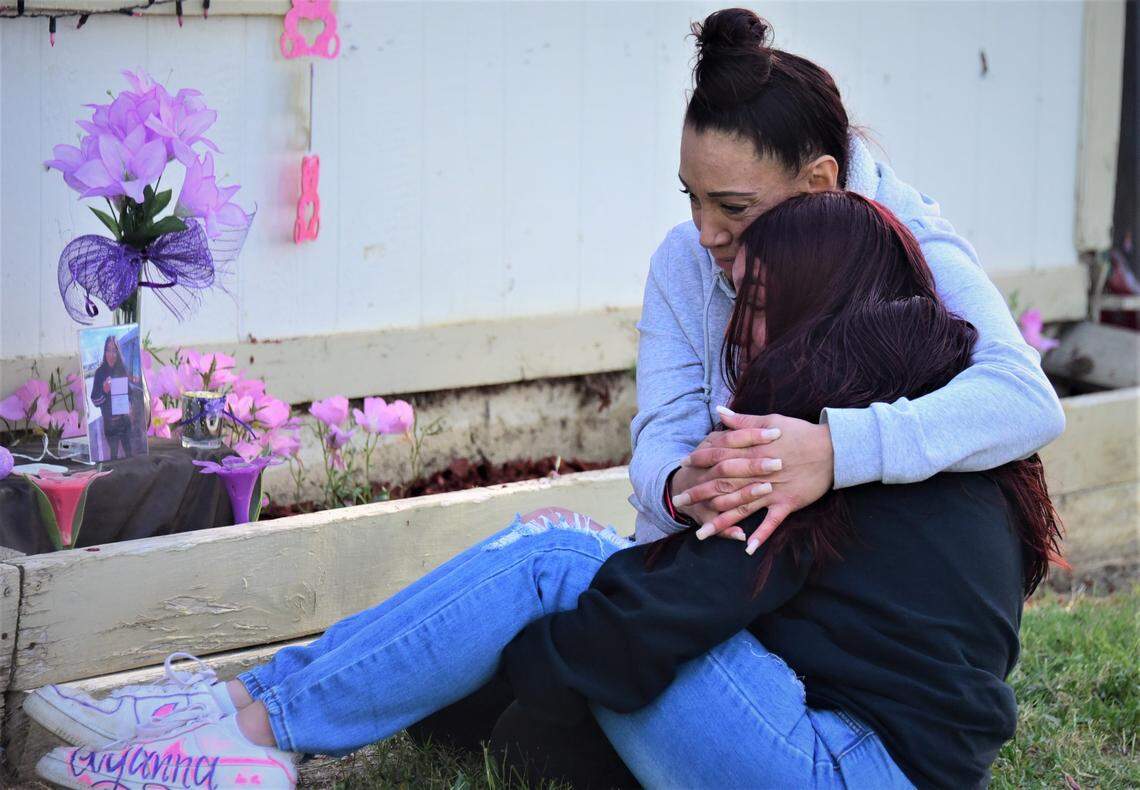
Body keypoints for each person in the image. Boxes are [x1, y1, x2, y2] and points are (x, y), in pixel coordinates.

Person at [26, 191, 1064, 790]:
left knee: (559, 555)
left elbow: (666, 615)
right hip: (868, 759)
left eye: (753, 303)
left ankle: (247, 735)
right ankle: (232, 708)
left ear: (812, 302)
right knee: (566, 561)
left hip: (837, 768)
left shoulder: (802, 449)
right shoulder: (936, 434)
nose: (737, 331)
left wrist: (502, 658)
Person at [410, 7, 1069, 777]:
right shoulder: (685, 261)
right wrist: (684, 484)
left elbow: (1025, 398)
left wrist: (832, 451)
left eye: (732, 207)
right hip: (738, 584)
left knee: (565, 649)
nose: (705, 231)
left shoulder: (906, 257)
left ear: (820, 183)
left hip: (830, 635)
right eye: (690, 196)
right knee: (554, 693)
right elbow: (662, 433)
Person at [89, 335, 136, 461]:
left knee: (129, 453)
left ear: (118, 352)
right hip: (110, 424)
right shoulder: (100, 373)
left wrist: (130, 406)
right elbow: (94, 400)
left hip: (124, 422)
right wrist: (104, 391)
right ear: (104, 352)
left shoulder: (122, 369)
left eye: (114, 350)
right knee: (113, 455)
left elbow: (129, 393)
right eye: (108, 350)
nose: (111, 354)